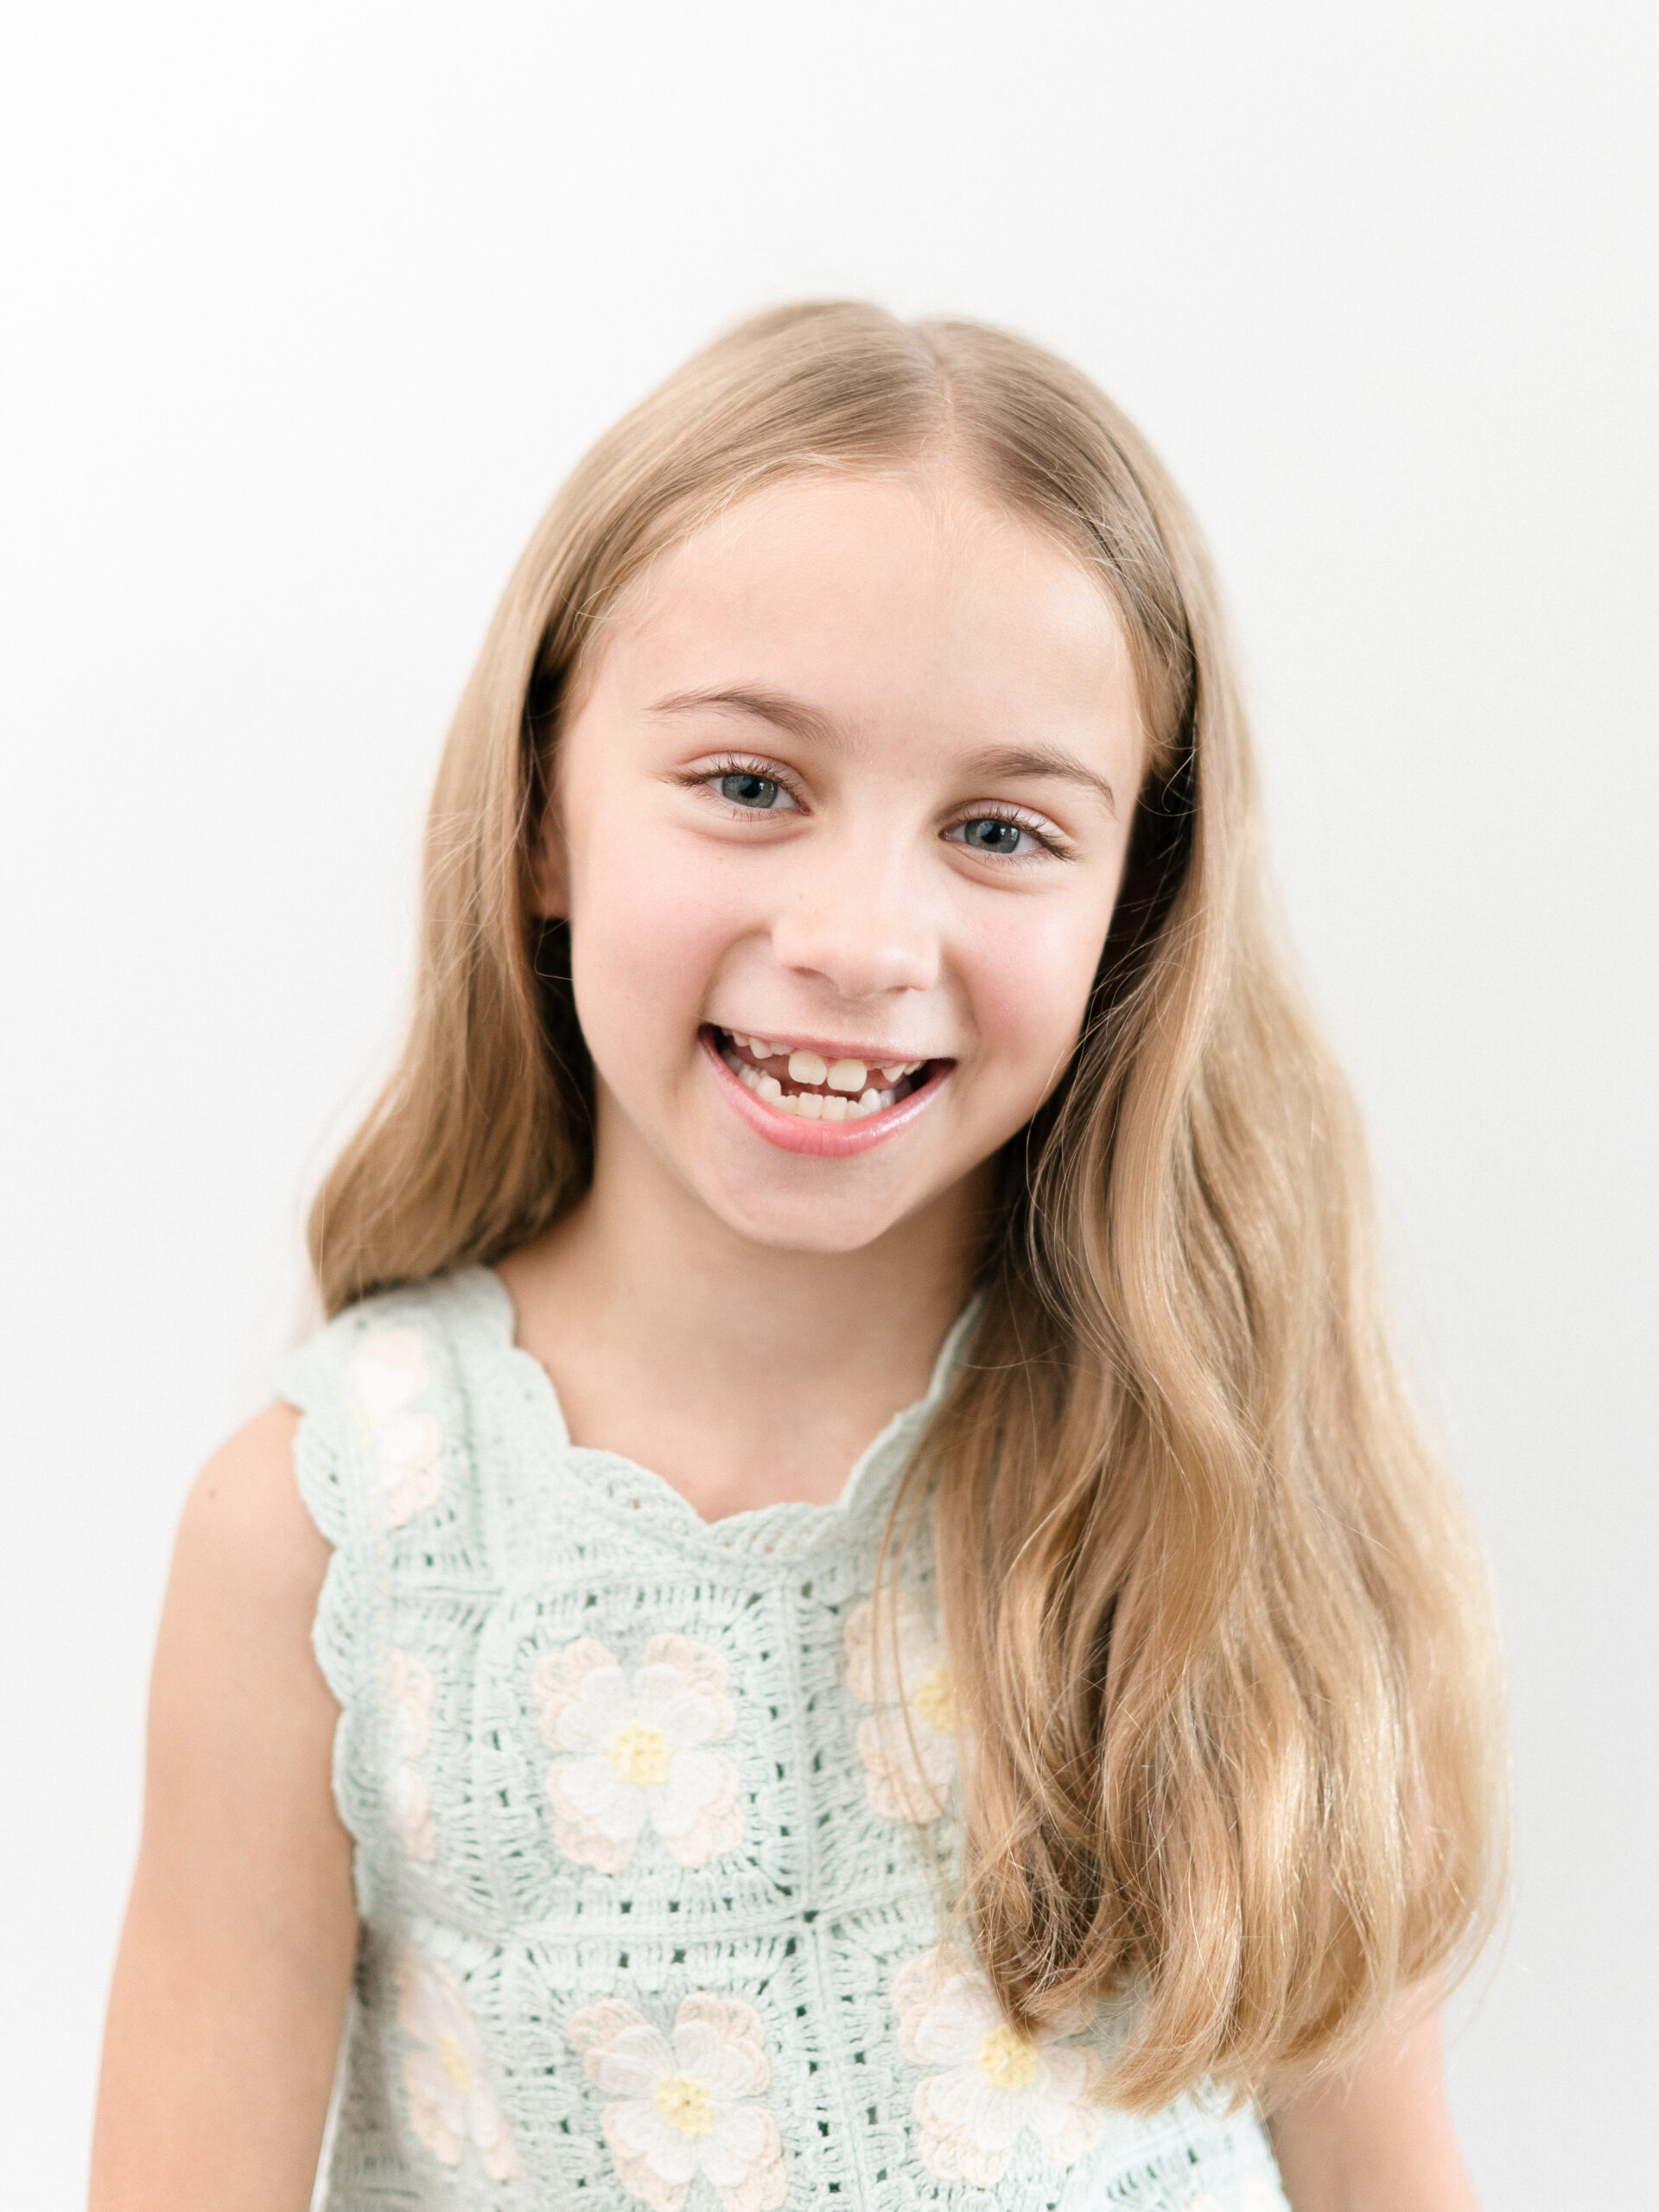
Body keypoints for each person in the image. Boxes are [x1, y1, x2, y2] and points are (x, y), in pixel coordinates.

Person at [89, 302, 1505, 2212]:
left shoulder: (1235, 1485)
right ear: (541, 818)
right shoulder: (330, 1539)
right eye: (751, 785)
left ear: (1133, 913)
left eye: (1000, 827)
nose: (861, 937)